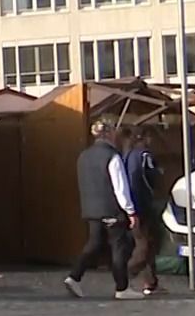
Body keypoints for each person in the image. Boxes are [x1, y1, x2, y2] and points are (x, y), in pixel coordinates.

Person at [65, 121, 138, 300]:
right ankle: (122, 287)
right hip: (111, 209)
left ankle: (74, 276)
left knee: (94, 244)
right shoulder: (112, 156)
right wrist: (130, 211)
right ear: (107, 134)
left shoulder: (83, 156)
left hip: (91, 209)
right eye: (113, 131)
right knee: (119, 247)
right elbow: (120, 187)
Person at [123, 126, 166, 295]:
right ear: (145, 138)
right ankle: (125, 275)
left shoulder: (126, 155)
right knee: (145, 245)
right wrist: (158, 174)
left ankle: (150, 282)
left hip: (132, 205)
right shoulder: (144, 155)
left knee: (147, 243)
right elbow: (149, 177)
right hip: (143, 205)